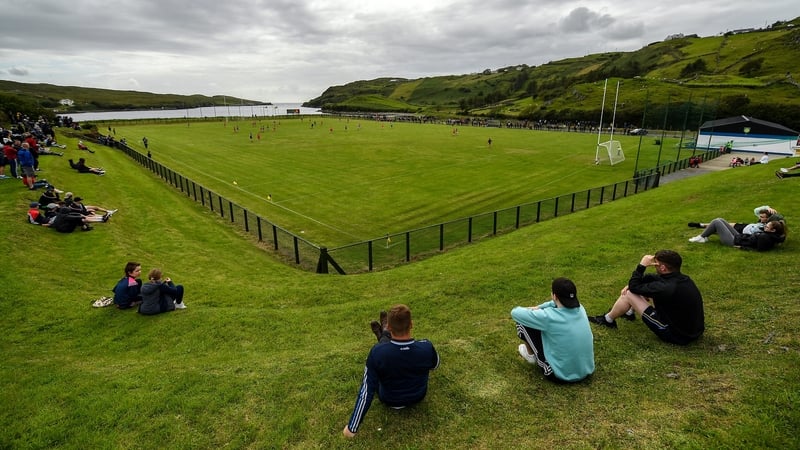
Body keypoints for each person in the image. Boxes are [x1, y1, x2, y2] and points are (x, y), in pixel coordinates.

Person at [343, 304, 439, 438]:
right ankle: (382, 335)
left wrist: (352, 428)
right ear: (411, 324)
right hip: (419, 396)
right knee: (384, 353)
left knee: (380, 355)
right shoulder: (427, 347)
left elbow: (367, 390)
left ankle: (383, 336)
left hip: (389, 400)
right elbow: (435, 366)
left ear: (390, 327)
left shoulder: (377, 353)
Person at [588, 250, 704, 346]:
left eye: (656, 264)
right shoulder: (681, 279)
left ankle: (608, 320)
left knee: (629, 294)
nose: (654, 267)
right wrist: (633, 285)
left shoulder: (665, 287)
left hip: (677, 335)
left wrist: (642, 266)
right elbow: (650, 278)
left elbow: (634, 287)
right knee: (641, 289)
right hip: (694, 331)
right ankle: (629, 313)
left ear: (663, 268)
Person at [510, 277, 594, 383]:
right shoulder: (581, 308)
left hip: (559, 374)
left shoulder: (548, 316)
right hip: (586, 370)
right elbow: (554, 304)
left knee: (522, 322)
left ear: (554, 296)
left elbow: (515, 312)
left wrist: (534, 309)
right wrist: (541, 307)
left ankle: (531, 356)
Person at [689, 219, 786, 251]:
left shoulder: (765, 237)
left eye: (767, 227)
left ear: (773, 230)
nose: (765, 227)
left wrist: (741, 247)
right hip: (740, 237)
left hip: (734, 241)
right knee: (720, 219)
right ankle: (703, 237)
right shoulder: (769, 235)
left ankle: (701, 237)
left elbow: (758, 248)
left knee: (716, 222)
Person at [688, 205, 783, 236]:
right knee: (725, 223)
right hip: (744, 225)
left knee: (720, 228)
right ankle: (701, 225)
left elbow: (780, 220)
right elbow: (756, 210)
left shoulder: (768, 225)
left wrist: (775, 214)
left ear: (768, 218)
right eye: (760, 216)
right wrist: (768, 207)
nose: (760, 218)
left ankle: (706, 232)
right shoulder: (761, 221)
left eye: (762, 217)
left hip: (743, 232)